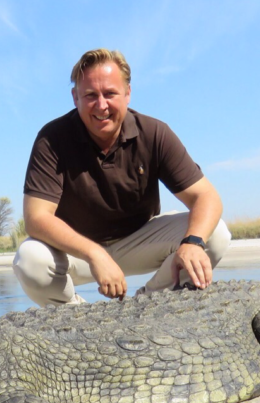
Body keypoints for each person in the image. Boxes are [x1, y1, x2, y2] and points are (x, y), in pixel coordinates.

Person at [13, 48, 231, 306]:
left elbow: (206, 196)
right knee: (29, 260)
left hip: (138, 239)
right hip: (76, 252)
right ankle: (75, 317)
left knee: (215, 234)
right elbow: (36, 219)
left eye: (110, 94)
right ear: (75, 97)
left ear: (127, 94)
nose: (101, 105)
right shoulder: (52, 138)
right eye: (90, 95)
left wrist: (193, 242)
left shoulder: (154, 132)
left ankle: (148, 305)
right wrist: (95, 254)